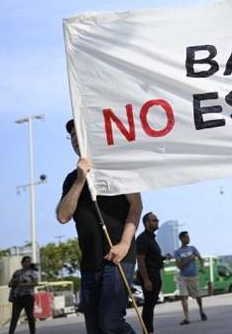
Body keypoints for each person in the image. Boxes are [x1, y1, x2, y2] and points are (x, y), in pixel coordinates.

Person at [57, 119, 142, 334]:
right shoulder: (71, 179)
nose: (76, 139)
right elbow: (63, 216)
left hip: (118, 257)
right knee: (95, 329)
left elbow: (136, 206)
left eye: (79, 133)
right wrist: (80, 180)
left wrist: (124, 244)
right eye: (72, 136)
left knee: (111, 322)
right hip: (90, 264)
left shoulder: (117, 167)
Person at [136, 212, 164, 333]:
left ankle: (148, 330)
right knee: (148, 305)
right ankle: (147, 331)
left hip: (155, 273)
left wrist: (163, 258)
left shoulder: (151, 238)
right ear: (147, 223)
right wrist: (146, 279)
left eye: (157, 220)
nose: (157, 222)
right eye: (154, 220)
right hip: (149, 275)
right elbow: (140, 260)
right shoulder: (143, 239)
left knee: (151, 305)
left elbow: (152, 257)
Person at [173, 231, 207, 325]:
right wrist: (189, 259)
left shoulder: (192, 248)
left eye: (188, 237)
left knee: (197, 296)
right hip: (183, 277)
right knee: (183, 296)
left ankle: (201, 310)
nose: (188, 239)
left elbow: (200, 258)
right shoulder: (177, 252)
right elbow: (179, 265)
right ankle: (187, 317)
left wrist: (202, 266)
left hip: (193, 276)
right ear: (182, 239)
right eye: (186, 237)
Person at [8, 256, 38, 334]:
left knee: (30, 316)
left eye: (29, 261)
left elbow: (35, 283)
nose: (27, 263)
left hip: (28, 297)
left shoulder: (32, 273)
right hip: (18, 297)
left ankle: (32, 332)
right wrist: (15, 283)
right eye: (26, 261)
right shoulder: (17, 273)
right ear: (22, 263)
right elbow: (10, 284)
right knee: (14, 317)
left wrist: (25, 284)